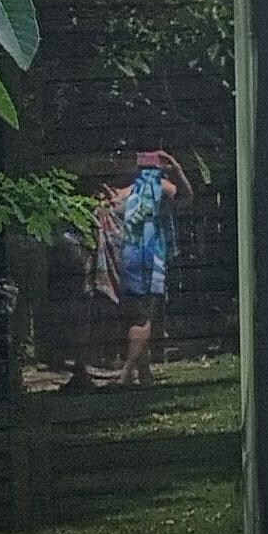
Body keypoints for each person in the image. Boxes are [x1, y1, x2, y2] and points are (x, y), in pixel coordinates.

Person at [99, 147, 189, 387]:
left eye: (126, 156)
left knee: (140, 316)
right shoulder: (113, 190)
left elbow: (185, 197)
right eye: (115, 156)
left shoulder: (154, 185)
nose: (119, 160)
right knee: (138, 316)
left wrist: (176, 170)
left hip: (147, 259)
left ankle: (127, 375)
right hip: (121, 261)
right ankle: (144, 374)